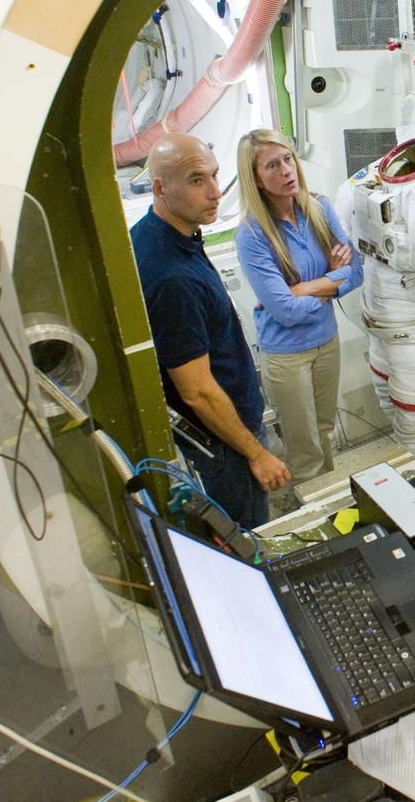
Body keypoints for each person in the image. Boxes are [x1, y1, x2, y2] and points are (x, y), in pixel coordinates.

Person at [130, 132, 290, 529]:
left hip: (226, 429)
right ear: (160, 189)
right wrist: (257, 454)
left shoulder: (160, 234)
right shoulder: (172, 277)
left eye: (215, 176)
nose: (216, 192)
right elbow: (197, 391)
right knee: (245, 535)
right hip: (225, 445)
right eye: (197, 180)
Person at [235, 129, 363, 483]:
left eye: (288, 159)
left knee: (325, 430)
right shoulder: (252, 235)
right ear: (256, 179)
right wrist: (331, 280)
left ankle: (332, 497)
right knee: (304, 446)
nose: (286, 170)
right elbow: (285, 312)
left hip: (326, 340)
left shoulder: (319, 208)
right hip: (286, 354)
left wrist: (305, 287)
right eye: (272, 166)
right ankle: (314, 505)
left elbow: (356, 271)